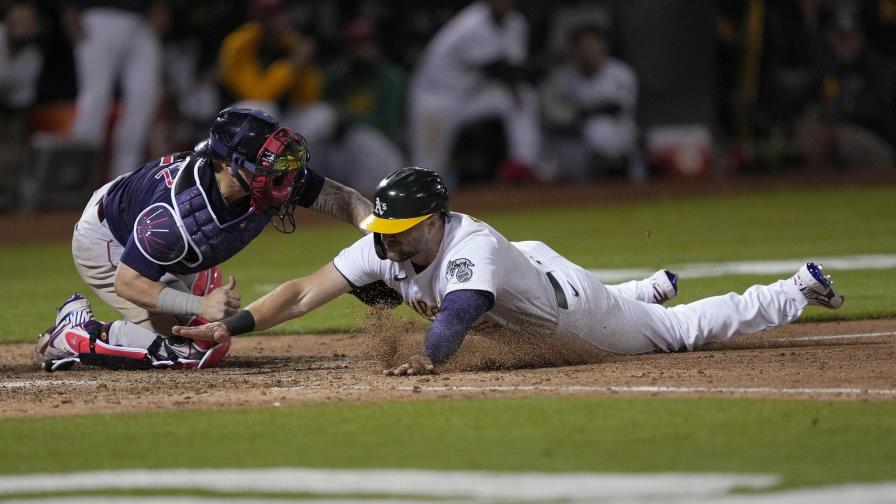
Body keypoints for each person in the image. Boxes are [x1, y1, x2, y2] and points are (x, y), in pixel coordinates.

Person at [171, 167, 845, 375]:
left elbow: (460, 315)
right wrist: (234, 325)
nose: (387, 239)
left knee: (678, 332)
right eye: (384, 228)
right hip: (530, 266)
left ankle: (793, 289)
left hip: (572, 312)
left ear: (435, 221)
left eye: (401, 228)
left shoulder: (470, 250)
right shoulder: (390, 242)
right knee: (385, 289)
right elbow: (301, 293)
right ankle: (643, 291)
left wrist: (429, 359)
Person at [34, 107, 373, 371]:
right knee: (195, 349)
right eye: (265, 165)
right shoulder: (178, 215)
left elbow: (342, 199)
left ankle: (185, 292)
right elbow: (129, 282)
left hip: (153, 227)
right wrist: (200, 306)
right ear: (228, 164)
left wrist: (379, 233)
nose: (281, 175)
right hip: (112, 243)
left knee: (210, 326)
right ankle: (74, 334)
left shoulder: (253, 180)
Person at [408, 0, 541, 186]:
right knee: (428, 168)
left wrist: (523, 80)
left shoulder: (516, 23)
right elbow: (499, 69)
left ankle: (522, 165)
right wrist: (543, 66)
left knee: (522, 97)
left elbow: (514, 69)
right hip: (436, 98)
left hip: (473, 94)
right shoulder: (471, 24)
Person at [63, 0, 168, 179]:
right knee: (95, 99)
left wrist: (160, 5)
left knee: (143, 100)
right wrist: (68, 8)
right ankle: (77, 177)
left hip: (141, 19)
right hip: (97, 15)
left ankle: (124, 179)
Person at [218, 0, 332, 146]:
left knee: (321, 114)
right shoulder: (239, 44)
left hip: (282, 116)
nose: (277, 20)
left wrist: (305, 67)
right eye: (268, 15)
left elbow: (308, 97)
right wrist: (292, 65)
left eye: (280, 13)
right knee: (263, 110)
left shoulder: (292, 42)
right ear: (256, 18)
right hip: (234, 118)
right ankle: (242, 159)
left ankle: (291, 157)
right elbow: (257, 94)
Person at [540, 25, 641, 181]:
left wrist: (579, 111)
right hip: (574, 135)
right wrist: (580, 113)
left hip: (615, 132)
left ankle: (614, 173)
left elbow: (616, 108)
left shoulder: (620, 72)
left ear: (603, 48)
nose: (588, 53)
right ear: (574, 51)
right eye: (582, 48)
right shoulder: (562, 76)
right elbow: (551, 113)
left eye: (592, 47)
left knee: (597, 129)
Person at [318, 18, 406, 195]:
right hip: (346, 153)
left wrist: (346, 116)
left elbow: (385, 123)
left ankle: (366, 200)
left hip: (383, 150)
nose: (363, 48)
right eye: (356, 44)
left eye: (367, 42)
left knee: (360, 136)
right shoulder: (338, 78)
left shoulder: (391, 78)